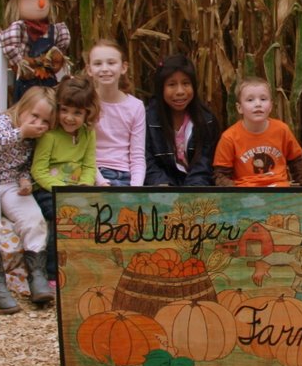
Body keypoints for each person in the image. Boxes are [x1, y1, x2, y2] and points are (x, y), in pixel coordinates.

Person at [0, 86, 56, 313]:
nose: (38, 123)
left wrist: (25, 180)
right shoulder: (3, 123)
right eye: (34, 115)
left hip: (11, 184)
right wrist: (21, 132)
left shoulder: (35, 137)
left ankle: (37, 275)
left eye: (45, 121)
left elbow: (24, 165)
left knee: (34, 219)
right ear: (22, 108)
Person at [32, 76, 101, 289]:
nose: (69, 118)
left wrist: (85, 185)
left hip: (76, 190)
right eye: (64, 110)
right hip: (48, 189)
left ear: (88, 113)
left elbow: (89, 166)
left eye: (77, 113)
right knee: (62, 218)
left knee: (95, 215)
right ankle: (53, 272)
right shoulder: (50, 136)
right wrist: (63, 191)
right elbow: (38, 171)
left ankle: (85, 266)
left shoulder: (88, 134)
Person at [213, 77, 302, 187]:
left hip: (279, 188)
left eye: (263, 99)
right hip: (246, 191)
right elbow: (221, 174)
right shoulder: (229, 137)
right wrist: (234, 192)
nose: (258, 104)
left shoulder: (282, 130)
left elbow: (297, 162)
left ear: (271, 106)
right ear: (239, 108)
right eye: (250, 100)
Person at [143, 53, 221, 186]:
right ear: (161, 88)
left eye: (186, 83)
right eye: (172, 84)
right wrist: (163, 185)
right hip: (161, 190)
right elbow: (147, 160)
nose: (180, 91)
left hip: (197, 190)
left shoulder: (207, 121)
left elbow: (205, 163)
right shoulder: (147, 119)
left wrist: (191, 190)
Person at [0, 0, 72, 96]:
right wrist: (32, 62)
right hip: (27, 86)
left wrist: (56, 60)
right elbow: (17, 63)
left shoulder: (56, 30)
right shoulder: (19, 29)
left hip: (50, 84)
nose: (41, 1)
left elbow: (58, 59)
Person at [86, 40, 145, 186]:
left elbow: (137, 155)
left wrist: (136, 187)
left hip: (127, 175)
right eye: (98, 64)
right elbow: (83, 152)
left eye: (111, 63)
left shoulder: (136, 106)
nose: (105, 69)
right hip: (94, 173)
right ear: (89, 69)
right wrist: (101, 183)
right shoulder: (85, 103)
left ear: (123, 67)